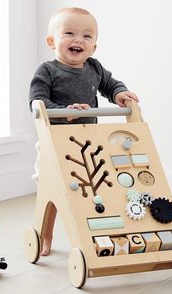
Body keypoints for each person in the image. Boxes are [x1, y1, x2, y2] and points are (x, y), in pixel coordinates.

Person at [29, 7, 139, 255]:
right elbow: (37, 103)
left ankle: (97, 235)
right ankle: (45, 236)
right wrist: (64, 111)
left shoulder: (94, 68)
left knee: (95, 192)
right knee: (54, 193)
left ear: (94, 47)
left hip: (89, 145)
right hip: (56, 143)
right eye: (69, 33)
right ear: (51, 41)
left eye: (87, 36)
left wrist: (119, 93)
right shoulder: (47, 71)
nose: (79, 40)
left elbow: (110, 84)